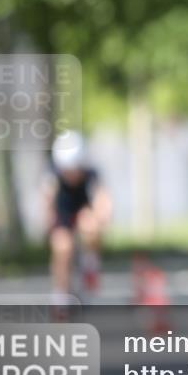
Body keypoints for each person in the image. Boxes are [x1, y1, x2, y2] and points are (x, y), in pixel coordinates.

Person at [43, 130, 112, 305]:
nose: (72, 174)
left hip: (83, 212)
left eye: (75, 169)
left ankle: (90, 264)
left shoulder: (91, 173)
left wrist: (102, 215)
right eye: (67, 170)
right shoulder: (52, 175)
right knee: (62, 246)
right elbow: (47, 200)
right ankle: (61, 292)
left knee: (90, 225)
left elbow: (101, 197)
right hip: (63, 215)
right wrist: (48, 223)